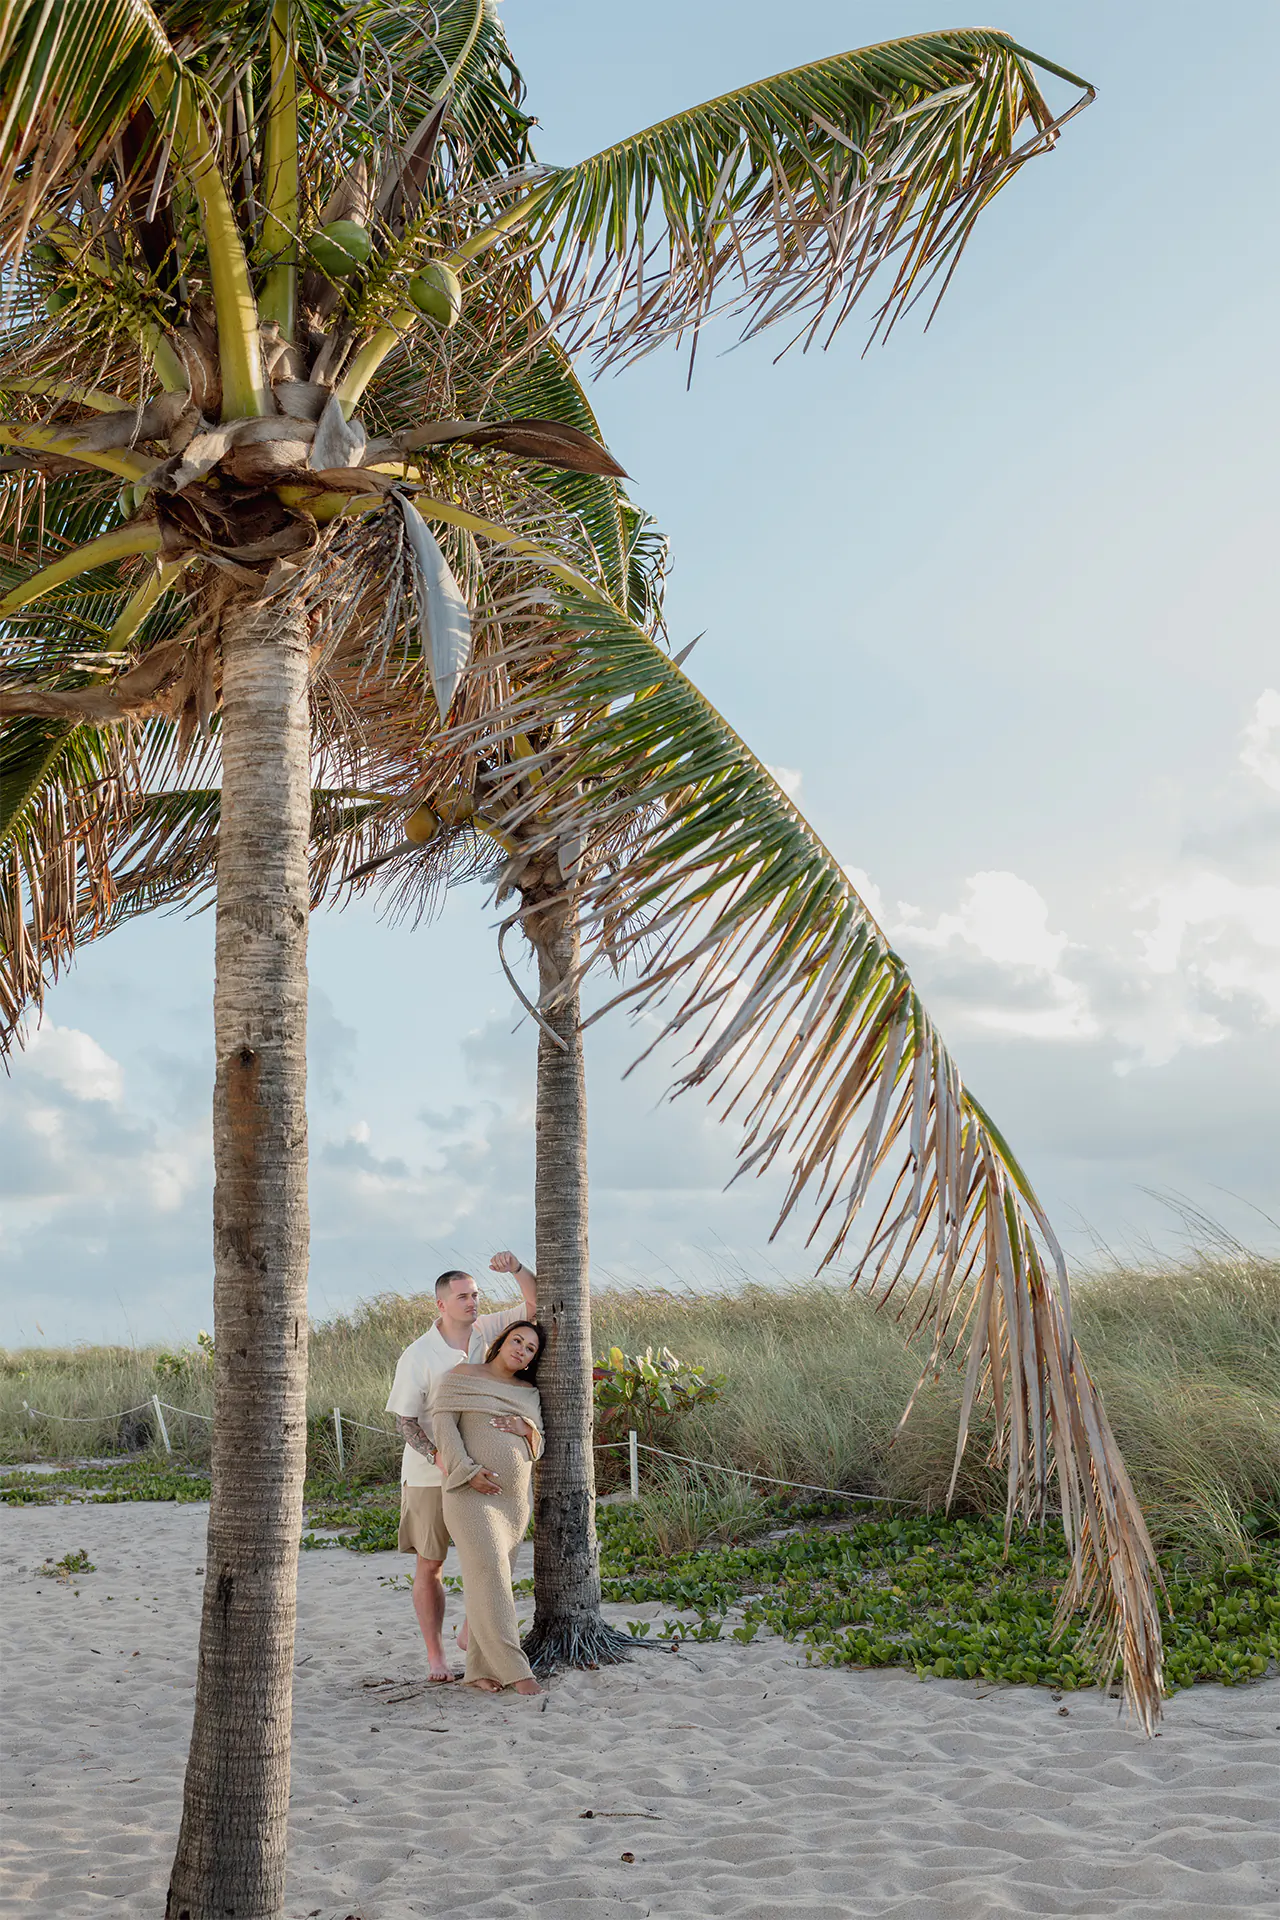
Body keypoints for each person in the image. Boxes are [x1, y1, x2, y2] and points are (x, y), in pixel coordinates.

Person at [384, 1252, 536, 1681]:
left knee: (492, 1555)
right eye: (464, 1297)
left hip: (485, 1473)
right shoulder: (417, 1356)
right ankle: (435, 1656)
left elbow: (534, 1306)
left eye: (476, 1295)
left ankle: (473, 1631)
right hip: (431, 1474)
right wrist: (443, 1459)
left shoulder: (488, 1332)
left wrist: (517, 1269)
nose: (473, 1303)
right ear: (442, 1304)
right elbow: (407, 1421)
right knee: (430, 1564)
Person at [429, 1320, 545, 1695]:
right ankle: (518, 1671)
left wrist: (526, 1428)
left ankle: (478, 1670)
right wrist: (467, 1472)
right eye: (518, 1341)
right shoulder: (462, 1375)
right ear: (501, 1342)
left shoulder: (528, 1392)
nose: (522, 1350)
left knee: (489, 1583)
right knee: (493, 1577)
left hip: (512, 1504)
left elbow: (538, 1445)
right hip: (469, 1494)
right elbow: (443, 1427)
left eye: (530, 1349)